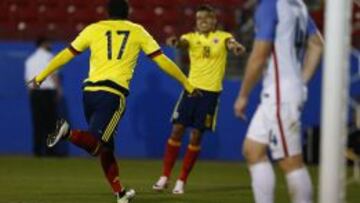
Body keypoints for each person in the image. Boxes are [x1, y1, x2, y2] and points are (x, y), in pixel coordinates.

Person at [27, 0, 198, 203]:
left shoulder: (94, 29)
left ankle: (121, 193)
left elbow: (66, 54)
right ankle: (67, 132)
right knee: (97, 145)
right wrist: (186, 83)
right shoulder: (137, 30)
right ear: (128, 12)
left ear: (107, 12)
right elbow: (162, 60)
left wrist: (40, 77)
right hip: (113, 95)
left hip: (89, 93)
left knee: (106, 148)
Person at [233, 0, 323, 202]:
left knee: (291, 161)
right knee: (252, 150)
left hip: (280, 95)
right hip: (281, 91)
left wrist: (243, 94)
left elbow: (259, 54)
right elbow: (317, 43)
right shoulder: (298, 5)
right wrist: (301, 80)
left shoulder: (270, 5)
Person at [153, 4, 245, 194]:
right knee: (177, 130)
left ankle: (181, 181)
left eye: (206, 18)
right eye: (199, 18)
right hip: (191, 90)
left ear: (214, 20)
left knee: (196, 135)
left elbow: (231, 43)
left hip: (211, 94)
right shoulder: (190, 38)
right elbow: (182, 43)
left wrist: (235, 47)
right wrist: (175, 42)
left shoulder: (223, 37)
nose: (202, 21)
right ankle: (164, 177)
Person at [25, 37, 62, 157]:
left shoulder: (30, 60)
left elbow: (29, 81)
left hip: (35, 93)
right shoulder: (50, 57)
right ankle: (51, 152)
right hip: (48, 93)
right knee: (51, 124)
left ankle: (37, 151)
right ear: (44, 44)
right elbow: (53, 74)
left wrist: (31, 94)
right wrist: (58, 90)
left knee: (37, 123)